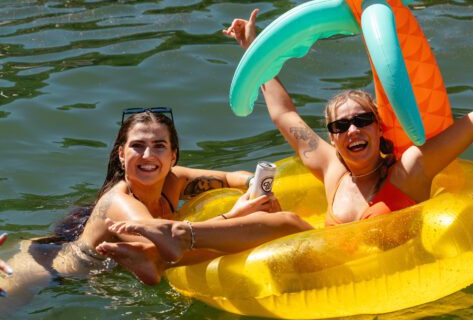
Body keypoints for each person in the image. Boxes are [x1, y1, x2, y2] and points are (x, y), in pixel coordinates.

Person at [222, 7, 473, 225]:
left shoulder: (410, 170)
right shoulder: (331, 169)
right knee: (281, 221)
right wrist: (254, 50)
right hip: (341, 296)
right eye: (340, 126)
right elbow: (283, 112)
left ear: (379, 127)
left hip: (406, 304)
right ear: (331, 137)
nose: (352, 130)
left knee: (285, 223)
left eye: (362, 120)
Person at [0, 108, 311, 306]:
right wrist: (234, 215)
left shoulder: (174, 180)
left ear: (173, 156)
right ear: (121, 155)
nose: (148, 155)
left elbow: (232, 177)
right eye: (137, 146)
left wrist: (256, 189)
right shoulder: (120, 202)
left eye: (159, 146)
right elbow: (171, 241)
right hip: (42, 273)